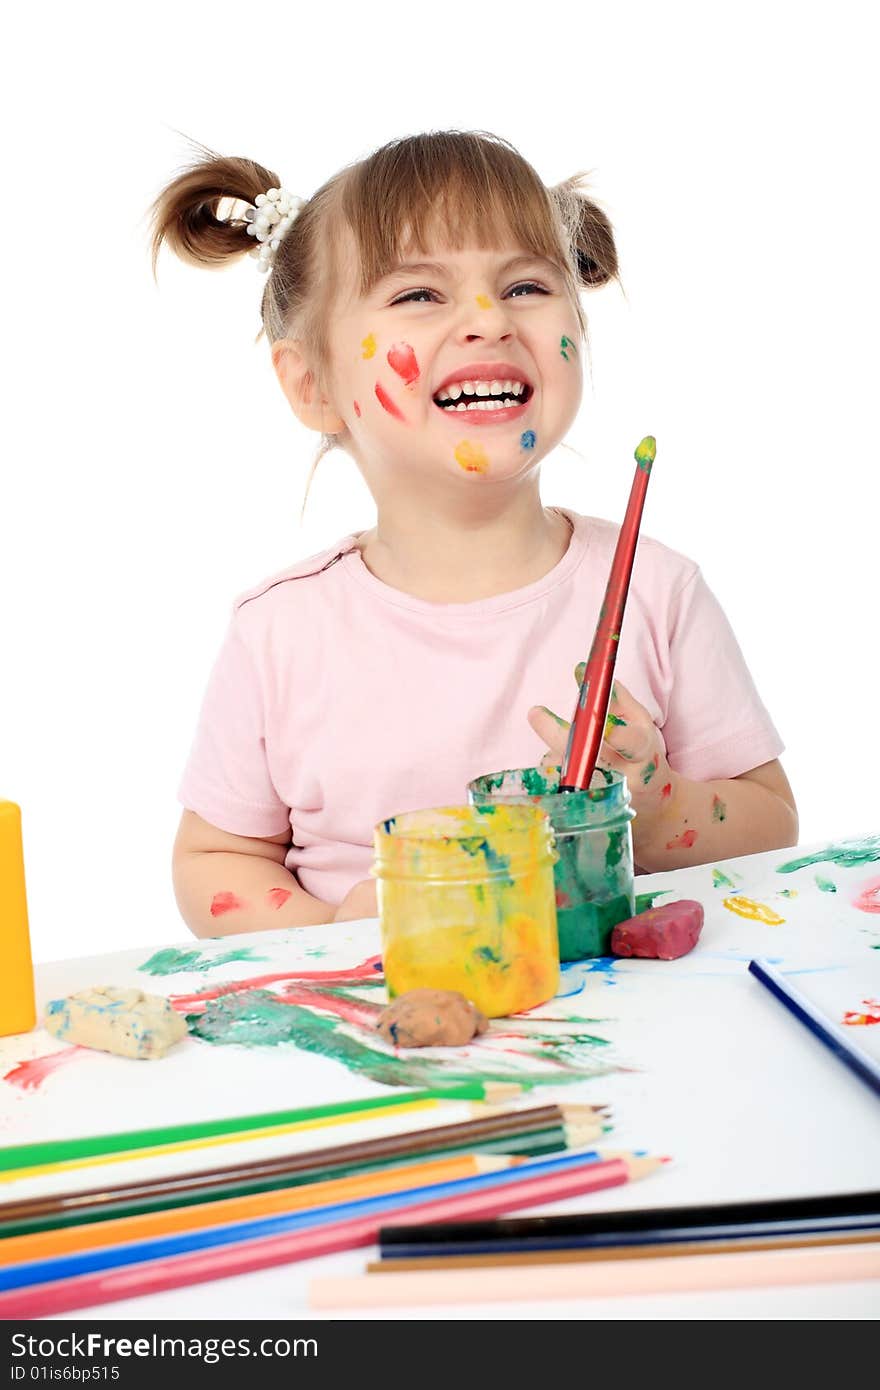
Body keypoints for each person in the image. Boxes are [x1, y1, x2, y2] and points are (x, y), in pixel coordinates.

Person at [149, 131, 797, 939]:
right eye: (419, 295)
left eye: (526, 284)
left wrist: (658, 803)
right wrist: (337, 928)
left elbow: (772, 823)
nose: (488, 320)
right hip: (379, 1039)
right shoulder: (280, 630)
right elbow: (213, 860)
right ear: (312, 383)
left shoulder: (656, 591)